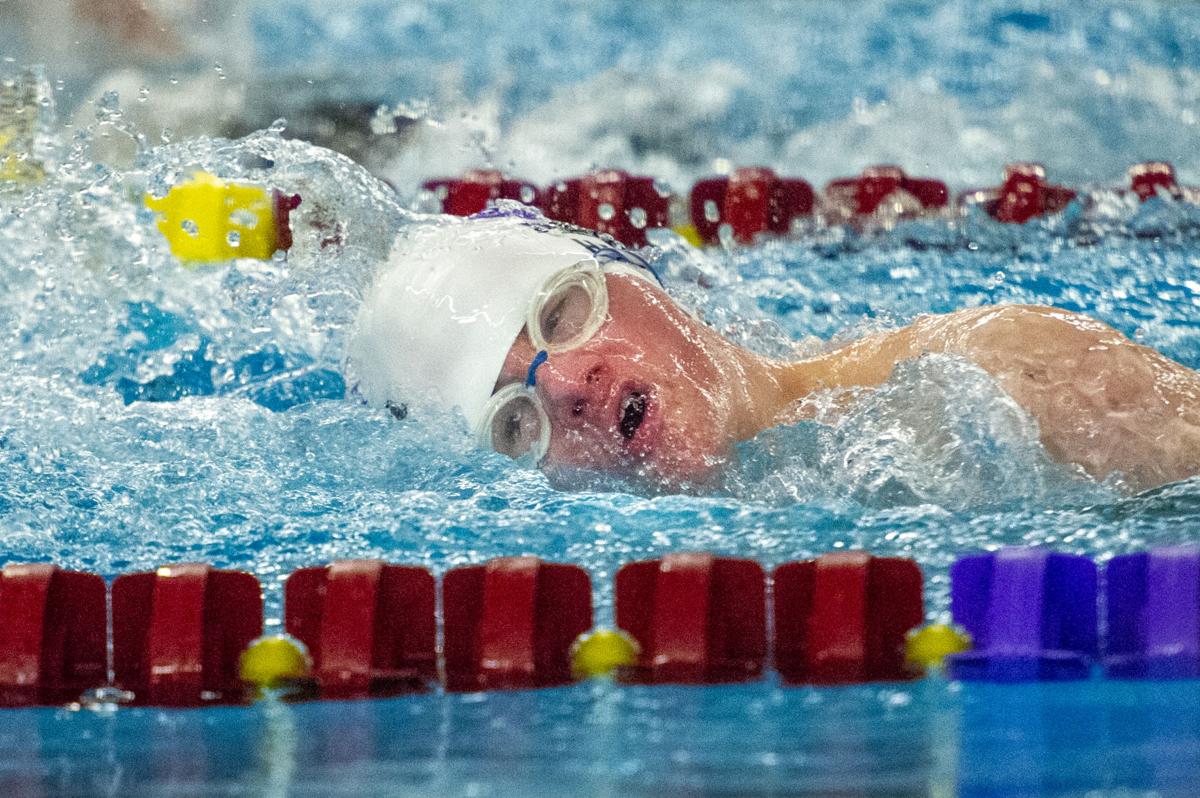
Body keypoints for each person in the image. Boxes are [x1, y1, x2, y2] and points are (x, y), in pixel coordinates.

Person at [349, 209, 1200, 494]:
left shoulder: (1005, 371)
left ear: (641, 283)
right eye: (514, 420)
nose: (569, 385)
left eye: (561, 316)